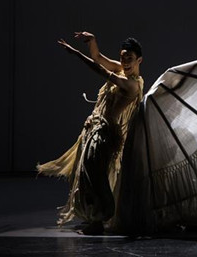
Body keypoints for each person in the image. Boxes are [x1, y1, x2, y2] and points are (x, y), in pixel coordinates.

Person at [37, 32, 144, 235]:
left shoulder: (132, 84)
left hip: (105, 133)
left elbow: (101, 70)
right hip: (95, 129)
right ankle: (95, 216)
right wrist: (93, 41)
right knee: (87, 173)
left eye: (129, 58)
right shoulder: (121, 69)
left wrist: (77, 53)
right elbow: (98, 58)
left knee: (95, 174)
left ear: (139, 60)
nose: (125, 62)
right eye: (122, 57)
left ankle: (102, 215)